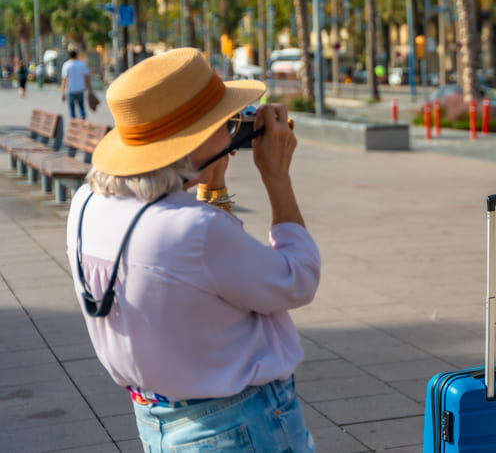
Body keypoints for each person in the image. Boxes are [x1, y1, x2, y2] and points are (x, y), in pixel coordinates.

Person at [66, 47, 320, 452]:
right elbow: (298, 280)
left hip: (159, 421)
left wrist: (210, 187)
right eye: (223, 121)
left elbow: (191, 279)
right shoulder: (197, 230)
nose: (231, 130)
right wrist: (276, 178)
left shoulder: (85, 205)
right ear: (194, 139)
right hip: (241, 425)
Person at [61, 50, 93, 119]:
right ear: (77, 55)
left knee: (72, 108)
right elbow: (87, 77)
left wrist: (62, 93)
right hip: (80, 89)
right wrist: (90, 89)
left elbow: (64, 80)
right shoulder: (81, 64)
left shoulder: (66, 65)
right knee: (81, 106)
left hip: (70, 89)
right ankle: (82, 120)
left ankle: (73, 122)